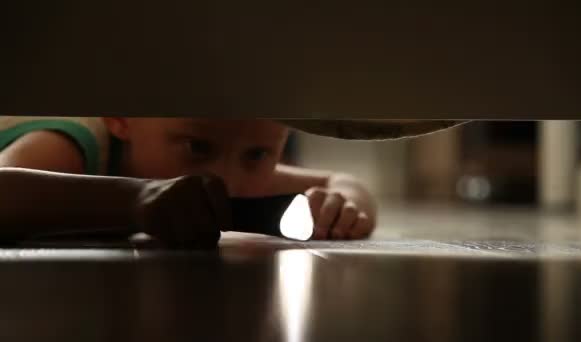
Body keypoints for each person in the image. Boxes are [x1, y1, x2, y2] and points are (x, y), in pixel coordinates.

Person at [0, 117, 377, 248]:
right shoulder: (74, 144)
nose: (226, 181)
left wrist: (339, 206)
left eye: (258, 154)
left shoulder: (235, 166)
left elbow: (340, 179)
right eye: (197, 147)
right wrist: (134, 201)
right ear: (121, 118)